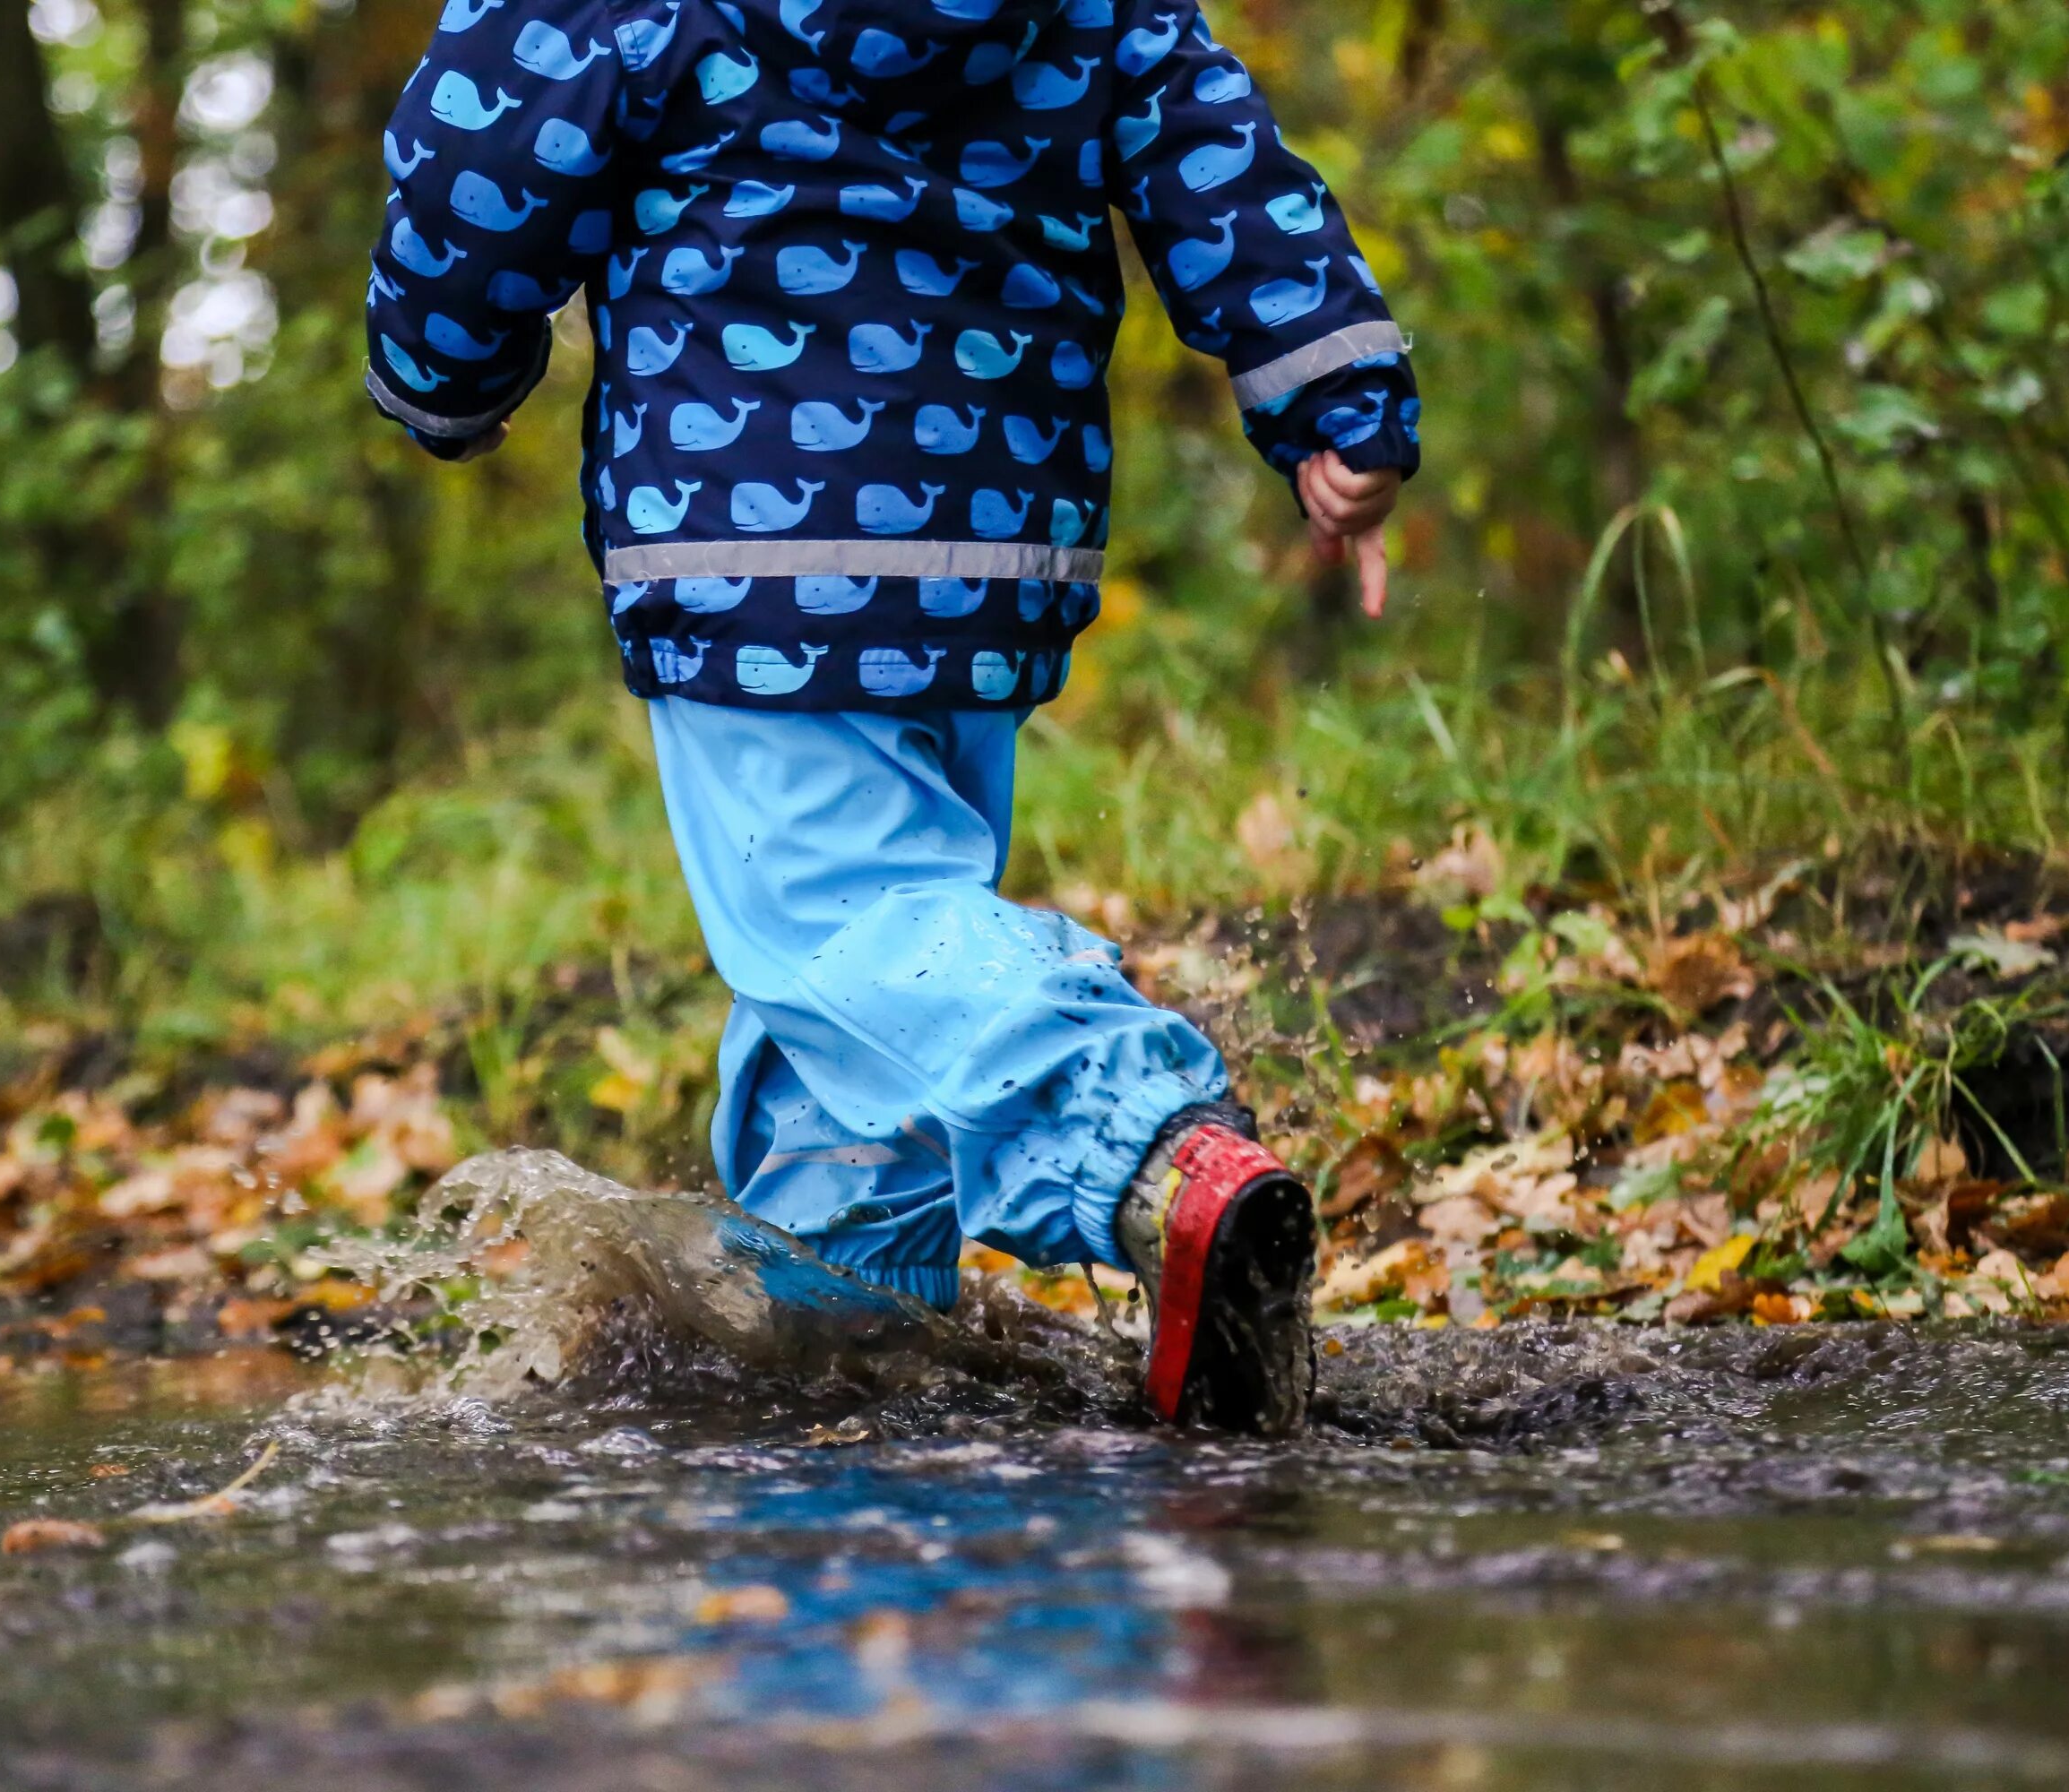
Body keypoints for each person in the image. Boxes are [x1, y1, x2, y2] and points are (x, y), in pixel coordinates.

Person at [366, 0, 1419, 1433]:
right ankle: (845, 1359)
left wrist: (442, 380)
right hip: (991, 542)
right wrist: (1334, 393)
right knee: (868, 985)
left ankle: (1141, 1145)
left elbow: (484, 149)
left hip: (745, 546)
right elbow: (1209, 145)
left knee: (843, 925)